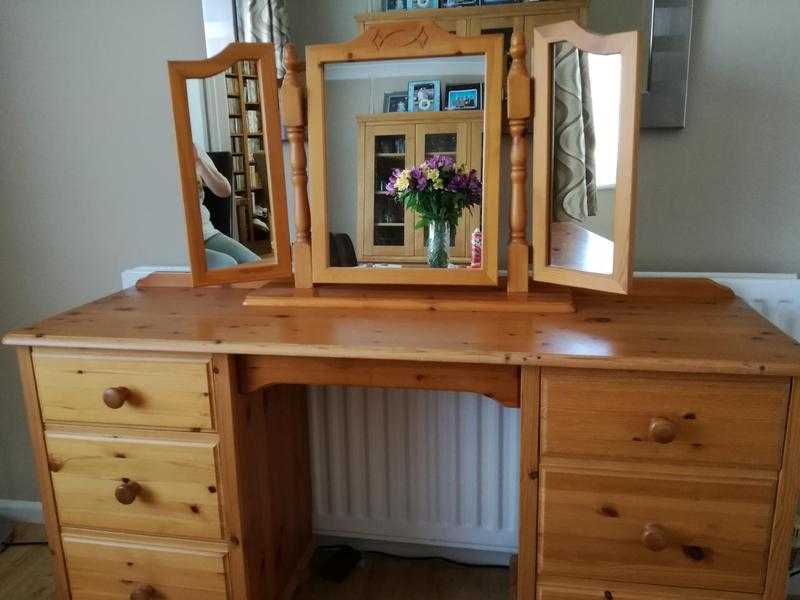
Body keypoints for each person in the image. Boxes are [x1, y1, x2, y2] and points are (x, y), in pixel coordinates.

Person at [194, 144, 260, 269]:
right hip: (178, 243)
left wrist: (199, 163)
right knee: (228, 265)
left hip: (206, 233)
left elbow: (224, 191)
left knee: (256, 265)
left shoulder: (193, 148)